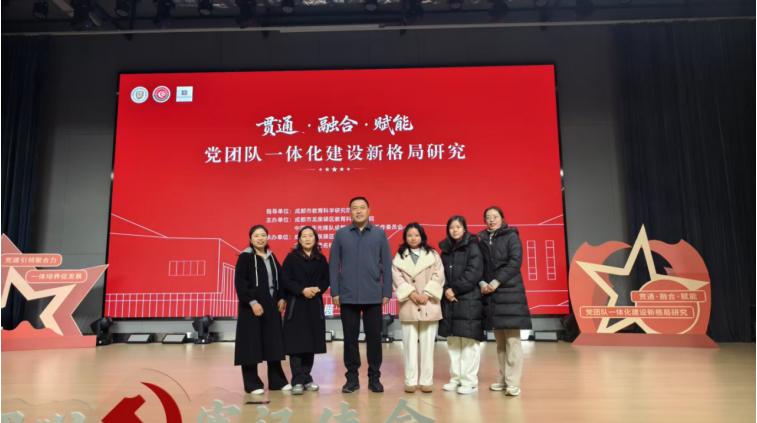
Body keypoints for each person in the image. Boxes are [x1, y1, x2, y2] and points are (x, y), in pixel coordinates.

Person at [329, 196, 393, 393]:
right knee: (350, 340)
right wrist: (335, 291)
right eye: (354, 208)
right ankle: (352, 379)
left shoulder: (379, 234)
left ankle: (374, 378)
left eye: (362, 207)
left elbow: (387, 264)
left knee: (374, 339)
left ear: (369, 210)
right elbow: (333, 265)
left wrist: (386, 291)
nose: (358, 211)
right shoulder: (341, 234)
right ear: (350, 212)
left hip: (373, 295)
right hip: (347, 296)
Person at [478, 206, 531, 397]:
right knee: (500, 342)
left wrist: (496, 281)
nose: (491, 220)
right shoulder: (481, 238)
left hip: (510, 292)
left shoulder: (511, 236)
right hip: (492, 294)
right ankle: (502, 379)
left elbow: (515, 262)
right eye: (488, 217)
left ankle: (513, 382)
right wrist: (483, 282)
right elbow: (479, 264)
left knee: (512, 340)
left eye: (495, 216)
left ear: (502, 218)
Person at [233, 225, 289, 397]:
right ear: (250, 239)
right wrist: (252, 302)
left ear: (267, 237)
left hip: (271, 305)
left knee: (273, 342)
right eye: (256, 235)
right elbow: (240, 283)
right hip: (251, 307)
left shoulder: (271, 257)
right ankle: (252, 384)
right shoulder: (245, 257)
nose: (260, 238)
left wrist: (282, 297)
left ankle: (277, 381)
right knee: (251, 344)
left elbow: (281, 279)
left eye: (263, 235)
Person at [391, 223, 445, 394]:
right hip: (409, 303)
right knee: (409, 346)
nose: (413, 238)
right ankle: (411, 380)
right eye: (409, 235)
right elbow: (397, 279)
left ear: (422, 236)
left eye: (416, 235)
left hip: (429, 303)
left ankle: (426, 381)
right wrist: (412, 294)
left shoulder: (433, 255)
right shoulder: (399, 257)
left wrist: (427, 294)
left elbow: (438, 276)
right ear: (405, 238)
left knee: (428, 346)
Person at [281, 226, 330, 395]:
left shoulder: (321, 259)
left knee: (311, 343)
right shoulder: (291, 258)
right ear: (299, 240)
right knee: (296, 344)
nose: (307, 239)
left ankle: (307, 378)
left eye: (310, 236)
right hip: (297, 304)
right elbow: (285, 279)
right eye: (304, 236)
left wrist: (317, 289)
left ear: (315, 239)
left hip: (314, 304)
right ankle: (297, 380)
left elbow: (326, 279)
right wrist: (302, 290)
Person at [438, 215, 484, 395]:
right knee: (453, 342)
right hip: (450, 300)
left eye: (458, 227)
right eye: (452, 227)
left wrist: (454, 289)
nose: (455, 230)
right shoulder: (445, 249)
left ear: (464, 228)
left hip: (468, 299)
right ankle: (455, 379)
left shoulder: (473, 246)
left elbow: (474, 272)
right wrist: (446, 290)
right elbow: (439, 273)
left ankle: (470, 381)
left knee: (469, 343)